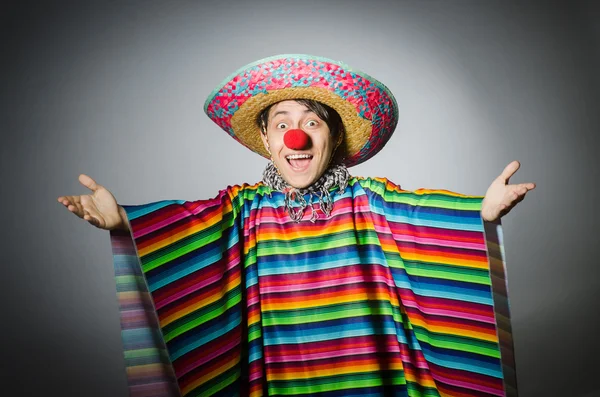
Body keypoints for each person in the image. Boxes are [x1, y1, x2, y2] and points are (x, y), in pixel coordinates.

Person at [58, 54, 534, 397]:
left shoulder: (370, 201)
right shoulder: (242, 210)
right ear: (266, 139)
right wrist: (125, 220)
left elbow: (418, 215)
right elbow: (186, 228)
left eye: (312, 122)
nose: (296, 134)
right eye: (281, 122)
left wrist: (479, 211)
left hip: (370, 380)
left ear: (334, 136)